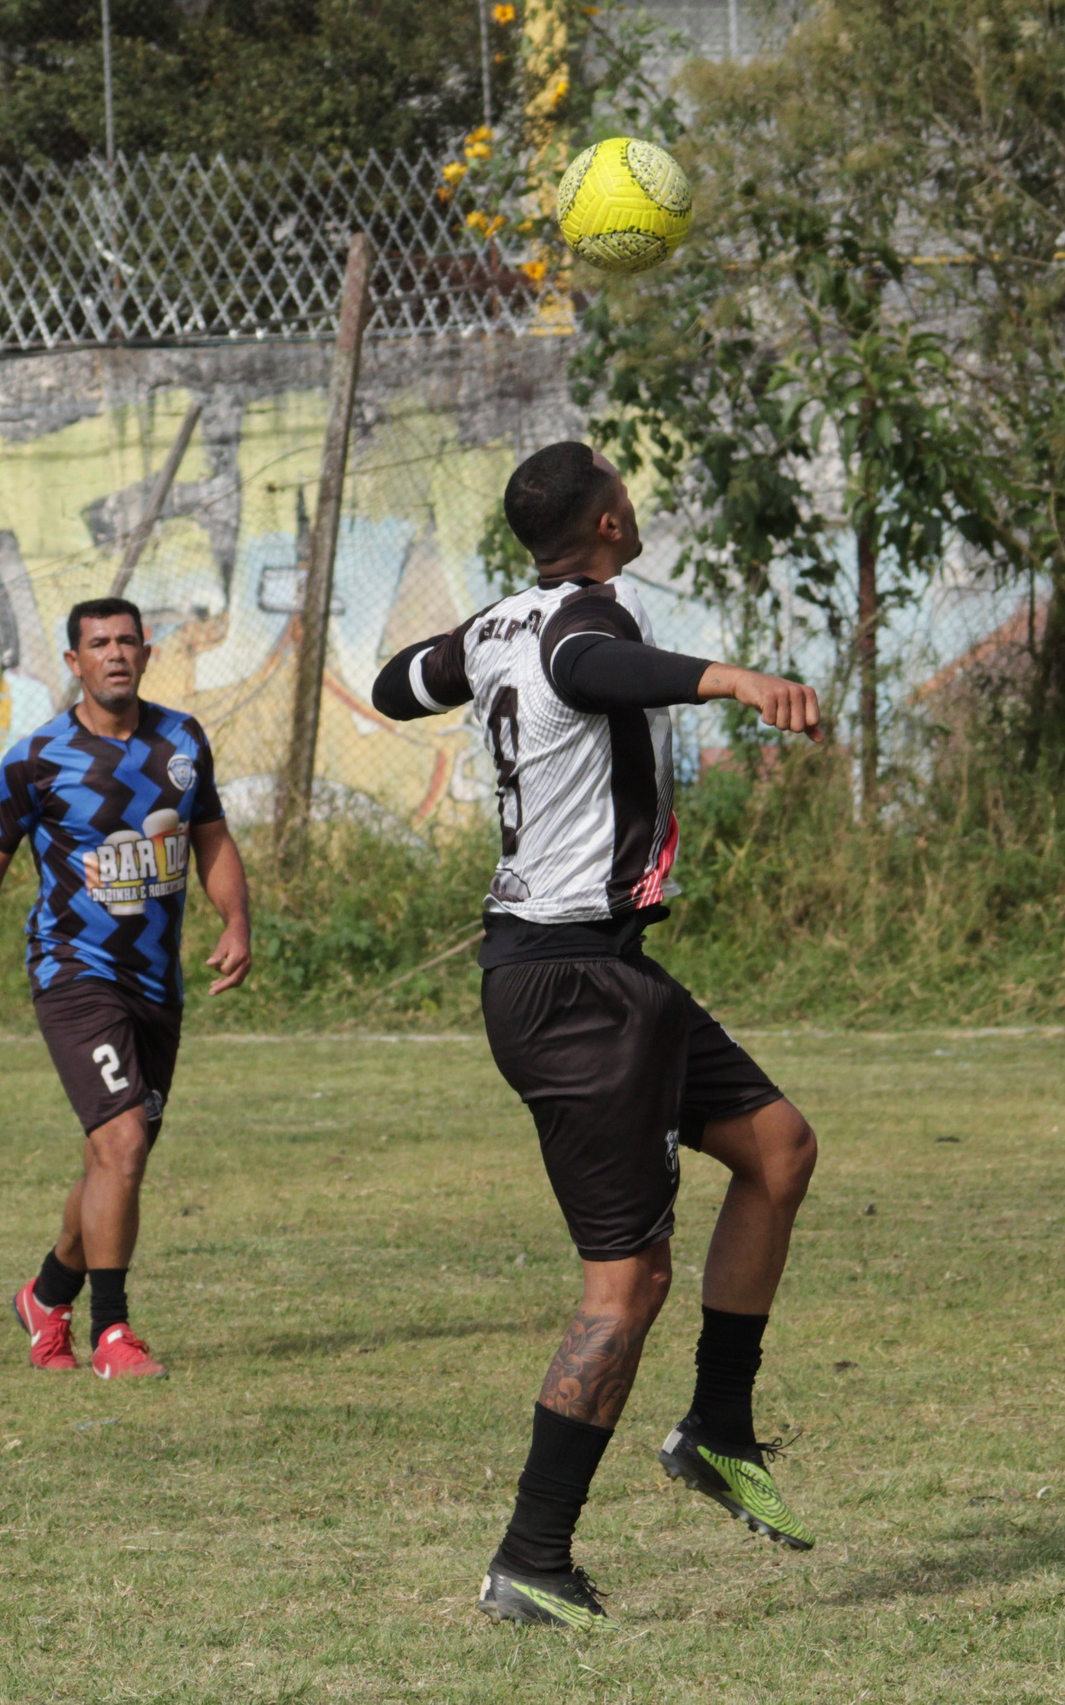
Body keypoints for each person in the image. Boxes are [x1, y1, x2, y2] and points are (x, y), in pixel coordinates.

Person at [369, 442, 825, 1629]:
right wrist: (731, 680)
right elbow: (592, 663)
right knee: (624, 1287)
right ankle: (530, 1557)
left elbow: (391, 688)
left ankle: (718, 1429)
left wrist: (475, 648)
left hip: (605, 977)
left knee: (778, 1151)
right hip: (570, 989)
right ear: (613, 520)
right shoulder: (575, 628)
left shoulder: (496, 627)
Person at [0, 596, 252, 1377]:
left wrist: (236, 921)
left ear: (147, 653)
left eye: (127, 641)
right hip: (74, 974)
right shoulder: (38, 759)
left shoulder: (180, 742)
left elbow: (214, 842)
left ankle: (46, 1293)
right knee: (122, 1142)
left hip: (157, 985)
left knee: (115, 1161)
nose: (115, 654)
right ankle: (113, 1333)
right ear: (74, 662)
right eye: (98, 644)